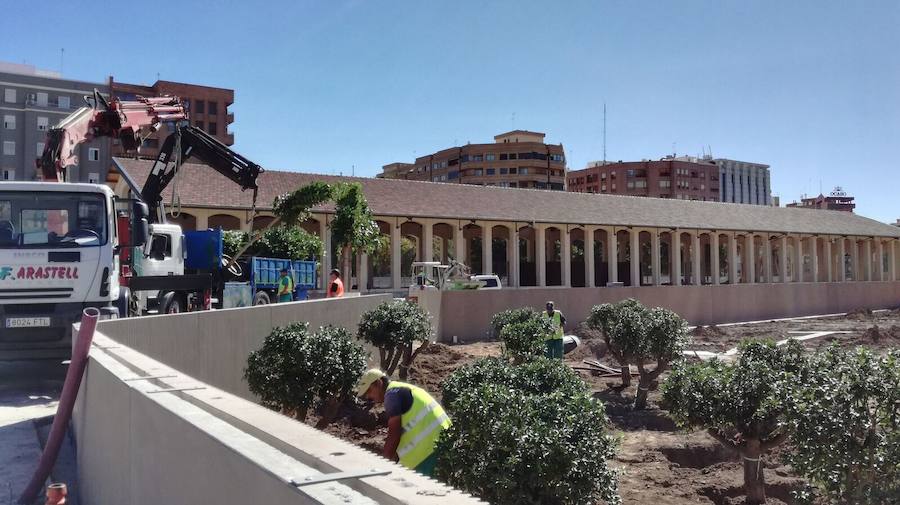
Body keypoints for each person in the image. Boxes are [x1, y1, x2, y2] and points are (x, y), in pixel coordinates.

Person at [355, 369, 450, 477]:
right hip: (439, 443)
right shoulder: (400, 389)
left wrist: (382, 465)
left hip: (429, 449)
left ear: (378, 383)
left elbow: (394, 435)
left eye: (369, 391)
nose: (368, 397)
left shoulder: (392, 395)